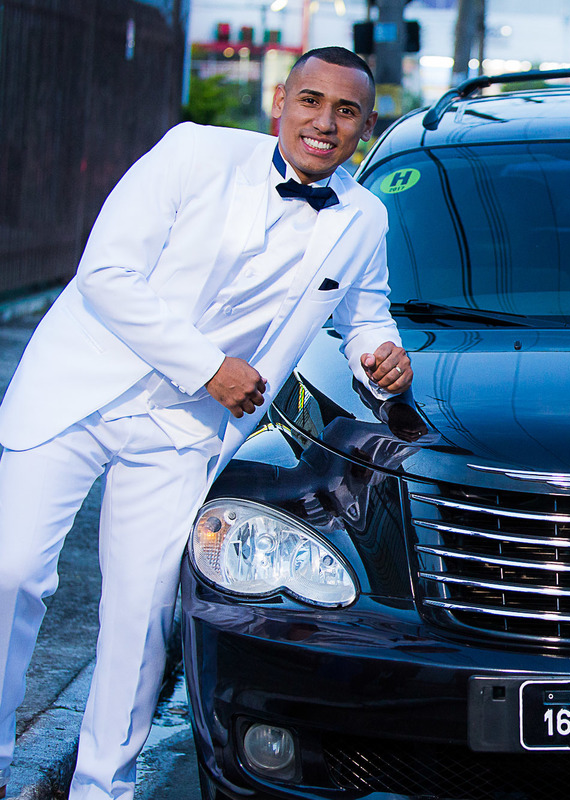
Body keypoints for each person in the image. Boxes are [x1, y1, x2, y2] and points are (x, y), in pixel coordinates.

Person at [0, 47, 411, 800]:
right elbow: (106, 274)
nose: (325, 122)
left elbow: (365, 314)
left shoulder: (365, 217)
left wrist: (377, 354)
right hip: (81, 391)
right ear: (279, 102)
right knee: (10, 571)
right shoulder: (193, 152)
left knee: (142, 613)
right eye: (310, 101)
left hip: (185, 429)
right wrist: (208, 366)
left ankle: (104, 788)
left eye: (346, 111)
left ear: (365, 125)